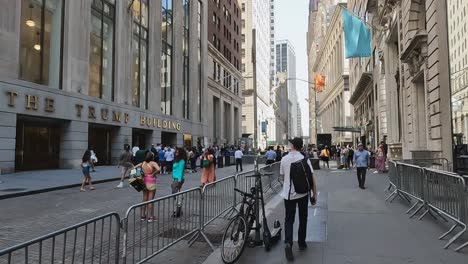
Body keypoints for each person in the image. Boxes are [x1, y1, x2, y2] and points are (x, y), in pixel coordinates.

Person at [280, 138, 317, 261]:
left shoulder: (284, 159)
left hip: (288, 195)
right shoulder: (305, 159)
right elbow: (311, 178)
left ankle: (288, 243)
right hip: (303, 194)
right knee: (303, 218)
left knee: (289, 219)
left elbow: (282, 177)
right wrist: (314, 195)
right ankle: (301, 243)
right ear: (301, 146)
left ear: (292, 145)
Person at [136, 152, 160, 222]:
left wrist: (140, 175)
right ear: (152, 157)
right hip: (151, 182)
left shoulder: (143, 163)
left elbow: (134, 167)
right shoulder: (153, 163)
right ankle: (150, 217)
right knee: (150, 200)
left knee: (144, 199)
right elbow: (158, 169)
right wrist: (153, 173)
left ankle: (143, 216)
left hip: (143, 182)